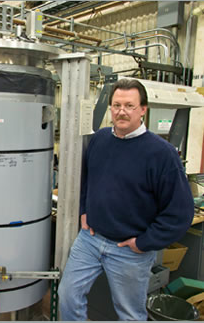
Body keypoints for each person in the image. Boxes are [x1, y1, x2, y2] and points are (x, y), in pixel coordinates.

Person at [58, 78, 195, 320]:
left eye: (129, 106)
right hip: (90, 240)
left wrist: (144, 242)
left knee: (130, 314)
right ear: (110, 107)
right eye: (116, 105)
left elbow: (181, 212)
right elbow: (87, 179)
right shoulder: (99, 140)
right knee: (67, 296)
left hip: (130, 251)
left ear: (143, 109)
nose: (121, 111)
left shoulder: (162, 155)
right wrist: (84, 209)